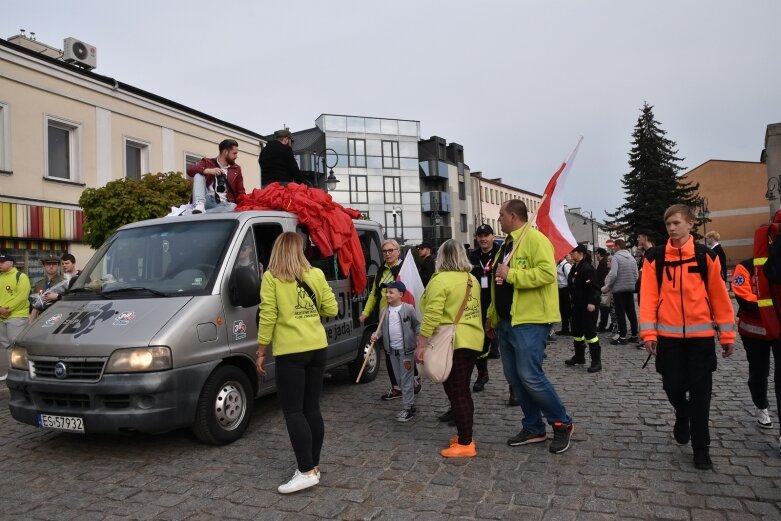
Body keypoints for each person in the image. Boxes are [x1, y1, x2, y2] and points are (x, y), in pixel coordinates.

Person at [640, 204, 735, 470]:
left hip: (701, 338)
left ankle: (701, 447)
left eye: (676, 223)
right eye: (668, 224)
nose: (671, 228)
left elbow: (720, 297)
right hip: (668, 338)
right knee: (672, 386)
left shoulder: (706, 257)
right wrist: (648, 333)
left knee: (701, 393)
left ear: (690, 224)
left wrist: (727, 336)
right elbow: (647, 298)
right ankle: (682, 413)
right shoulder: (654, 258)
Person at [486, 199, 575, 454]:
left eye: (501, 215)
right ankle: (533, 427)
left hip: (530, 321)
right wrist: (492, 317)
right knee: (514, 378)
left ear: (513, 216)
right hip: (507, 321)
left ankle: (561, 423)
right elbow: (497, 285)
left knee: (530, 376)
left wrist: (512, 274)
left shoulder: (536, 240)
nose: (499, 219)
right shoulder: (505, 246)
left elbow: (547, 274)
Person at [256, 232, 338, 494]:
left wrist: (260, 351)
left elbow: (267, 315)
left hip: (291, 352)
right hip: (317, 347)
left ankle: (305, 471)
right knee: (311, 408)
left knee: (294, 412)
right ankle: (313, 466)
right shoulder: (316, 274)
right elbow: (332, 309)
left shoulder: (272, 278)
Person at [414, 239, 483, 458]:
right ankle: (465, 436)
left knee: (457, 392)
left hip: (452, 341)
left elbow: (433, 314)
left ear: (441, 257)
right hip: (471, 339)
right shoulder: (472, 279)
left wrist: (421, 342)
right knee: (459, 389)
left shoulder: (440, 280)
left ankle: (466, 443)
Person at [360, 239, 420, 400]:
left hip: (403, 315)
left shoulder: (404, 269)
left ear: (398, 251)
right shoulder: (381, 270)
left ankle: (413, 379)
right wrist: (365, 313)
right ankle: (396, 387)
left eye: (390, 250)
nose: (387, 254)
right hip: (385, 316)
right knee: (389, 351)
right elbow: (374, 294)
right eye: (385, 251)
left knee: (406, 349)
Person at [732, 258, 780, 451]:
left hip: (777, 329)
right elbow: (745, 300)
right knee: (759, 372)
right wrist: (771, 305)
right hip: (755, 331)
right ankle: (761, 406)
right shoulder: (745, 266)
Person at [370, 280, 420, 422]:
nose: (387, 294)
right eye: (387, 292)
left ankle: (408, 408)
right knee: (398, 380)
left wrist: (420, 339)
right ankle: (412, 384)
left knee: (404, 380)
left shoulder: (408, 309)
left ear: (400, 294)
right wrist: (376, 335)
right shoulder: (383, 311)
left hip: (406, 351)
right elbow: (381, 330)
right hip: (392, 351)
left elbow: (417, 325)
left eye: (391, 292)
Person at [468, 224, 500, 393]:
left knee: (508, 347)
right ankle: (482, 375)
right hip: (479, 305)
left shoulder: (501, 254)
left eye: (486, 235)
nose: (483, 238)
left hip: (500, 304)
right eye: (480, 235)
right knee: (480, 345)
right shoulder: (472, 257)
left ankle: (513, 387)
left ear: (492, 236)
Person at [564, 244, 602, 372]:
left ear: (580, 253)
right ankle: (579, 357)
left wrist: (592, 302)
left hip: (588, 306)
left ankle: (596, 361)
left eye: (573, 252)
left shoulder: (587, 268)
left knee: (590, 333)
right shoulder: (575, 267)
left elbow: (594, 288)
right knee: (577, 331)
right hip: (577, 305)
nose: (571, 254)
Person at [186, 138, 246, 214]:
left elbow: (241, 192)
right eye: (234, 153)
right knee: (198, 175)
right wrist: (209, 171)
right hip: (206, 200)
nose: (236, 156)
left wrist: (245, 205)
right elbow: (190, 170)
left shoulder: (236, 169)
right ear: (225, 152)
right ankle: (199, 206)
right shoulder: (207, 162)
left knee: (234, 207)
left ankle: (201, 213)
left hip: (224, 204)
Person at [602, 238, 639, 345]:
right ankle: (634, 335)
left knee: (620, 313)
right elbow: (636, 275)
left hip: (618, 289)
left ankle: (622, 337)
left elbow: (613, 274)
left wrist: (608, 286)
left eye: (614, 246)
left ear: (618, 246)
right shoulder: (632, 258)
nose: (613, 248)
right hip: (630, 289)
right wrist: (631, 283)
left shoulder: (616, 258)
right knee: (631, 312)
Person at [0, 251, 31, 380]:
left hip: (16, 316)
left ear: (11, 263)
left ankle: (24, 372)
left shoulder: (21, 276)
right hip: (1, 317)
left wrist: (7, 309)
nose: (0, 264)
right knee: (6, 345)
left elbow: (22, 297)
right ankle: (12, 372)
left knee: (16, 346)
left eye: (2, 262)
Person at [29, 255, 64, 322]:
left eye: (54, 264)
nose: (51, 266)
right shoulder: (39, 284)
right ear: (43, 266)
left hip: (59, 318)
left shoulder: (64, 283)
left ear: (59, 265)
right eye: (48, 264)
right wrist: (30, 323)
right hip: (41, 319)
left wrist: (58, 297)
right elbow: (35, 306)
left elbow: (71, 301)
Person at [554, 255, 572, 336]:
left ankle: (573, 329)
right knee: (563, 310)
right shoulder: (558, 265)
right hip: (560, 290)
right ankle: (565, 329)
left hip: (566, 290)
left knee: (568, 310)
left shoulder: (566, 265)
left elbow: (570, 279)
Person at [595, 248, 611, 332]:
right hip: (602, 288)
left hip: (603, 289)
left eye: (596, 253)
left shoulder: (603, 263)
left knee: (604, 307)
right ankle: (604, 324)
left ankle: (602, 325)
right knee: (604, 308)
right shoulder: (602, 262)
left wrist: (602, 288)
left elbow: (604, 277)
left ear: (599, 254)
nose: (596, 255)